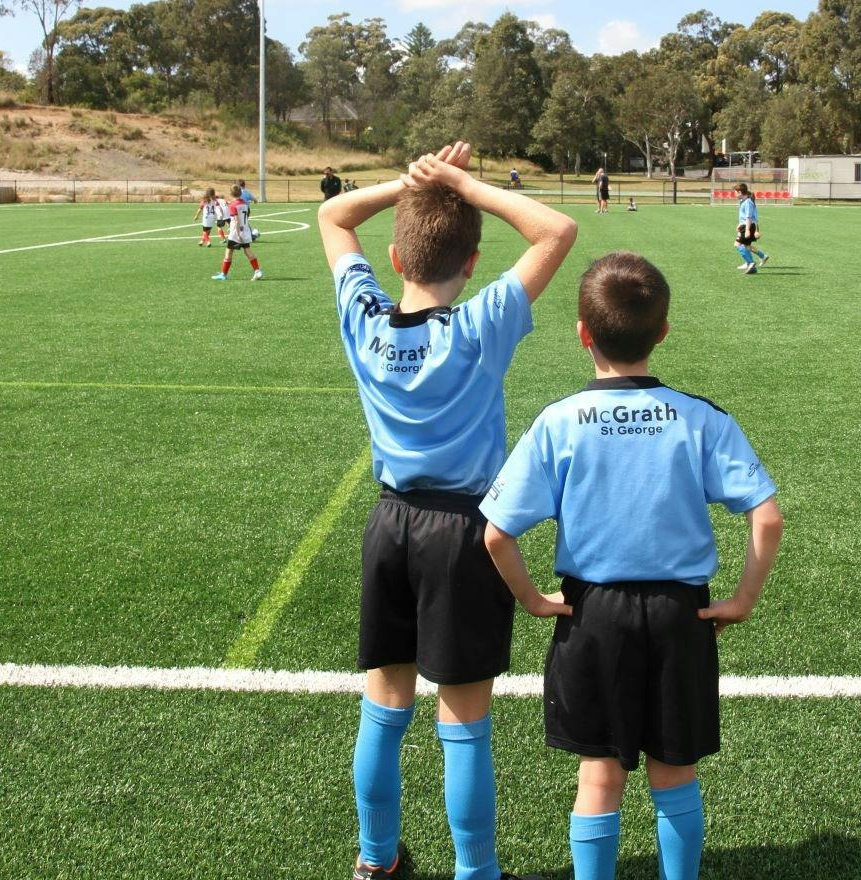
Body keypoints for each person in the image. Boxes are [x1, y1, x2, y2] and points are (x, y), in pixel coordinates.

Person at [318, 140, 576, 880]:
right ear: (472, 263)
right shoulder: (479, 324)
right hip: (463, 532)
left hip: (389, 526)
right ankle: (476, 872)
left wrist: (409, 182)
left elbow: (333, 217)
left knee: (384, 706)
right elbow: (556, 231)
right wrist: (464, 183)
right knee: (462, 720)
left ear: (396, 260)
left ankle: (375, 862)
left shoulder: (365, 319)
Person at [480, 252, 783, 880]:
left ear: (582, 333)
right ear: (663, 331)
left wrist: (534, 600)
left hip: (593, 615)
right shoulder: (701, 417)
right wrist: (743, 599)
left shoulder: (558, 421)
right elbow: (768, 518)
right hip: (680, 614)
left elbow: (496, 534)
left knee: (600, 774)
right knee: (675, 773)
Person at [212, 185, 264, 281]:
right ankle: (257, 271)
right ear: (240, 193)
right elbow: (247, 215)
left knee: (228, 252)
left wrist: (238, 233)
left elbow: (236, 220)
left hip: (236, 233)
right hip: (245, 230)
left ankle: (223, 274)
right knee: (248, 251)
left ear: (231, 194)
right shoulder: (244, 203)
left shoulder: (233, 205)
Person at [732, 182, 768, 274]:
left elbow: (749, 217)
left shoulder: (748, 202)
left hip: (747, 226)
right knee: (746, 246)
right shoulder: (744, 201)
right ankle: (753, 263)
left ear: (740, 192)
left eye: (735, 192)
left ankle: (750, 263)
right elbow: (744, 216)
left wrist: (747, 230)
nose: (734, 194)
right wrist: (739, 224)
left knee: (737, 244)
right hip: (745, 225)